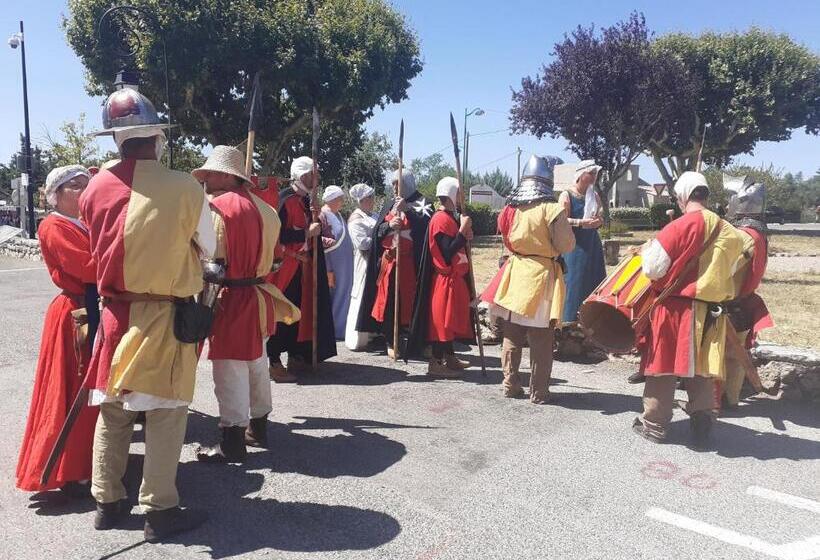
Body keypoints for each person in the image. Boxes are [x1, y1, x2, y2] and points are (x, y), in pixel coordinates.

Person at [80, 86, 215, 541]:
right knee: (165, 413)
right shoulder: (185, 187)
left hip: (114, 316)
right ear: (156, 138)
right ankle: (159, 511)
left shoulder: (92, 186)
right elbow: (211, 247)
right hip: (163, 316)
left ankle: (106, 500)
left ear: (116, 140)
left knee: (114, 412)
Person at [191, 146, 300, 463]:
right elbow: (277, 258)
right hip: (259, 296)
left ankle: (233, 441)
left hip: (231, 298)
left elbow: (211, 261)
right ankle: (259, 427)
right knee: (256, 364)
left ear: (226, 175)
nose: (206, 179)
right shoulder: (268, 211)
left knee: (230, 371)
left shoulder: (217, 208)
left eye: (210, 173)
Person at [632, 171, 749, 447]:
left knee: (663, 368)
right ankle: (703, 420)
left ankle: (654, 425)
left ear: (683, 196)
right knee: (702, 368)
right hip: (712, 310)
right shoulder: (731, 231)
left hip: (677, 309)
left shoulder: (680, 226)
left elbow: (652, 268)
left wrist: (649, 249)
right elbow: (733, 269)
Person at [16, 165, 99, 497]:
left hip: (91, 305)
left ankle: (88, 461)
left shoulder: (85, 223)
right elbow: (86, 267)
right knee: (73, 390)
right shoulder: (53, 225)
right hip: (74, 312)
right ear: (58, 194)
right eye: (76, 186)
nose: (83, 190)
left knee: (91, 389)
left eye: (85, 185)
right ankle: (70, 468)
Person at [481, 155, 575, 403]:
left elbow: (505, 237)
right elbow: (566, 244)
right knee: (542, 339)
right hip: (541, 276)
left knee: (512, 334)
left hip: (515, 272)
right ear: (547, 180)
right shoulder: (552, 209)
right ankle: (539, 391)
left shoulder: (510, 208)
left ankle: (510, 384)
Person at [267, 156, 336, 380]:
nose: (316, 179)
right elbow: (278, 235)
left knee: (299, 314)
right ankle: (274, 361)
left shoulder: (307, 201)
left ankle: (296, 355)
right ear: (304, 175)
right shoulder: (285, 201)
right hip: (286, 266)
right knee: (282, 314)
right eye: (313, 175)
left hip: (302, 266)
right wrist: (307, 233)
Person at [357, 169, 433, 358]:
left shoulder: (422, 202)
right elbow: (377, 231)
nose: (393, 188)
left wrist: (408, 211)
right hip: (391, 262)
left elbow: (428, 227)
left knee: (415, 303)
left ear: (407, 183)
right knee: (391, 302)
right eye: (392, 184)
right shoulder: (390, 204)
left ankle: (419, 342)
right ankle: (392, 340)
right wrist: (389, 226)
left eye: (397, 184)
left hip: (413, 265)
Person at [408, 177, 475, 376]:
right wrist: (462, 233)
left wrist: (465, 236)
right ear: (452, 194)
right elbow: (446, 252)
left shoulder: (449, 217)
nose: (462, 199)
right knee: (442, 324)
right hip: (445, 280)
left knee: (450, 321)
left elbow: (457, 243)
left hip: (454, 279)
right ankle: (436, 363)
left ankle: (450, 357)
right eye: (459, 194)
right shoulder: (440, 219)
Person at [722, 176, 774, 407]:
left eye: (728, 200)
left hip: (730, 299)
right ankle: (730, 398)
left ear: (740, 202)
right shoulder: (759, 232)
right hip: (743, 300)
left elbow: (724, 269)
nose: (726, 206)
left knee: (722, 354)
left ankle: (716, 401)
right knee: (734, 354)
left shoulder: (743, 236)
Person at [559, 159, 606, 324]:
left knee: (594, 280)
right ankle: (569, 324)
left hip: (592, 244)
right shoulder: (567, 195)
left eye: (596, 174)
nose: (594, 177)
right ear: (580, 175)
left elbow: (600, 217)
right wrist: (581, 223)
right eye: (591, 173)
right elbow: (561, 221)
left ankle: (592, 323)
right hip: (574, 246)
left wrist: (598, 222)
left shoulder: (594, 196)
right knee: (574, 283)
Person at [345, 183, 378, 350]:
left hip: (376, 262)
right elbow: (362, 244)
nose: (373, 200)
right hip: (364, 262)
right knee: (361, 295)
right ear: (363, 200)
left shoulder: (373, 215)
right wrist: (381, 239)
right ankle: (357, 337)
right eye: (370, 198)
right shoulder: (355, 220)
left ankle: (373, 333)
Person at [320, 185, 354, 340]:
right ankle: (333, 329)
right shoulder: (322, 215)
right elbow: (317, 238)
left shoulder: (338, 215)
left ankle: (341, 327)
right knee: (334, 293)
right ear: (332, 200)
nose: (342, 202)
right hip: (332, 262)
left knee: (344, 293)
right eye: (340, 199)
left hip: (345, 264)